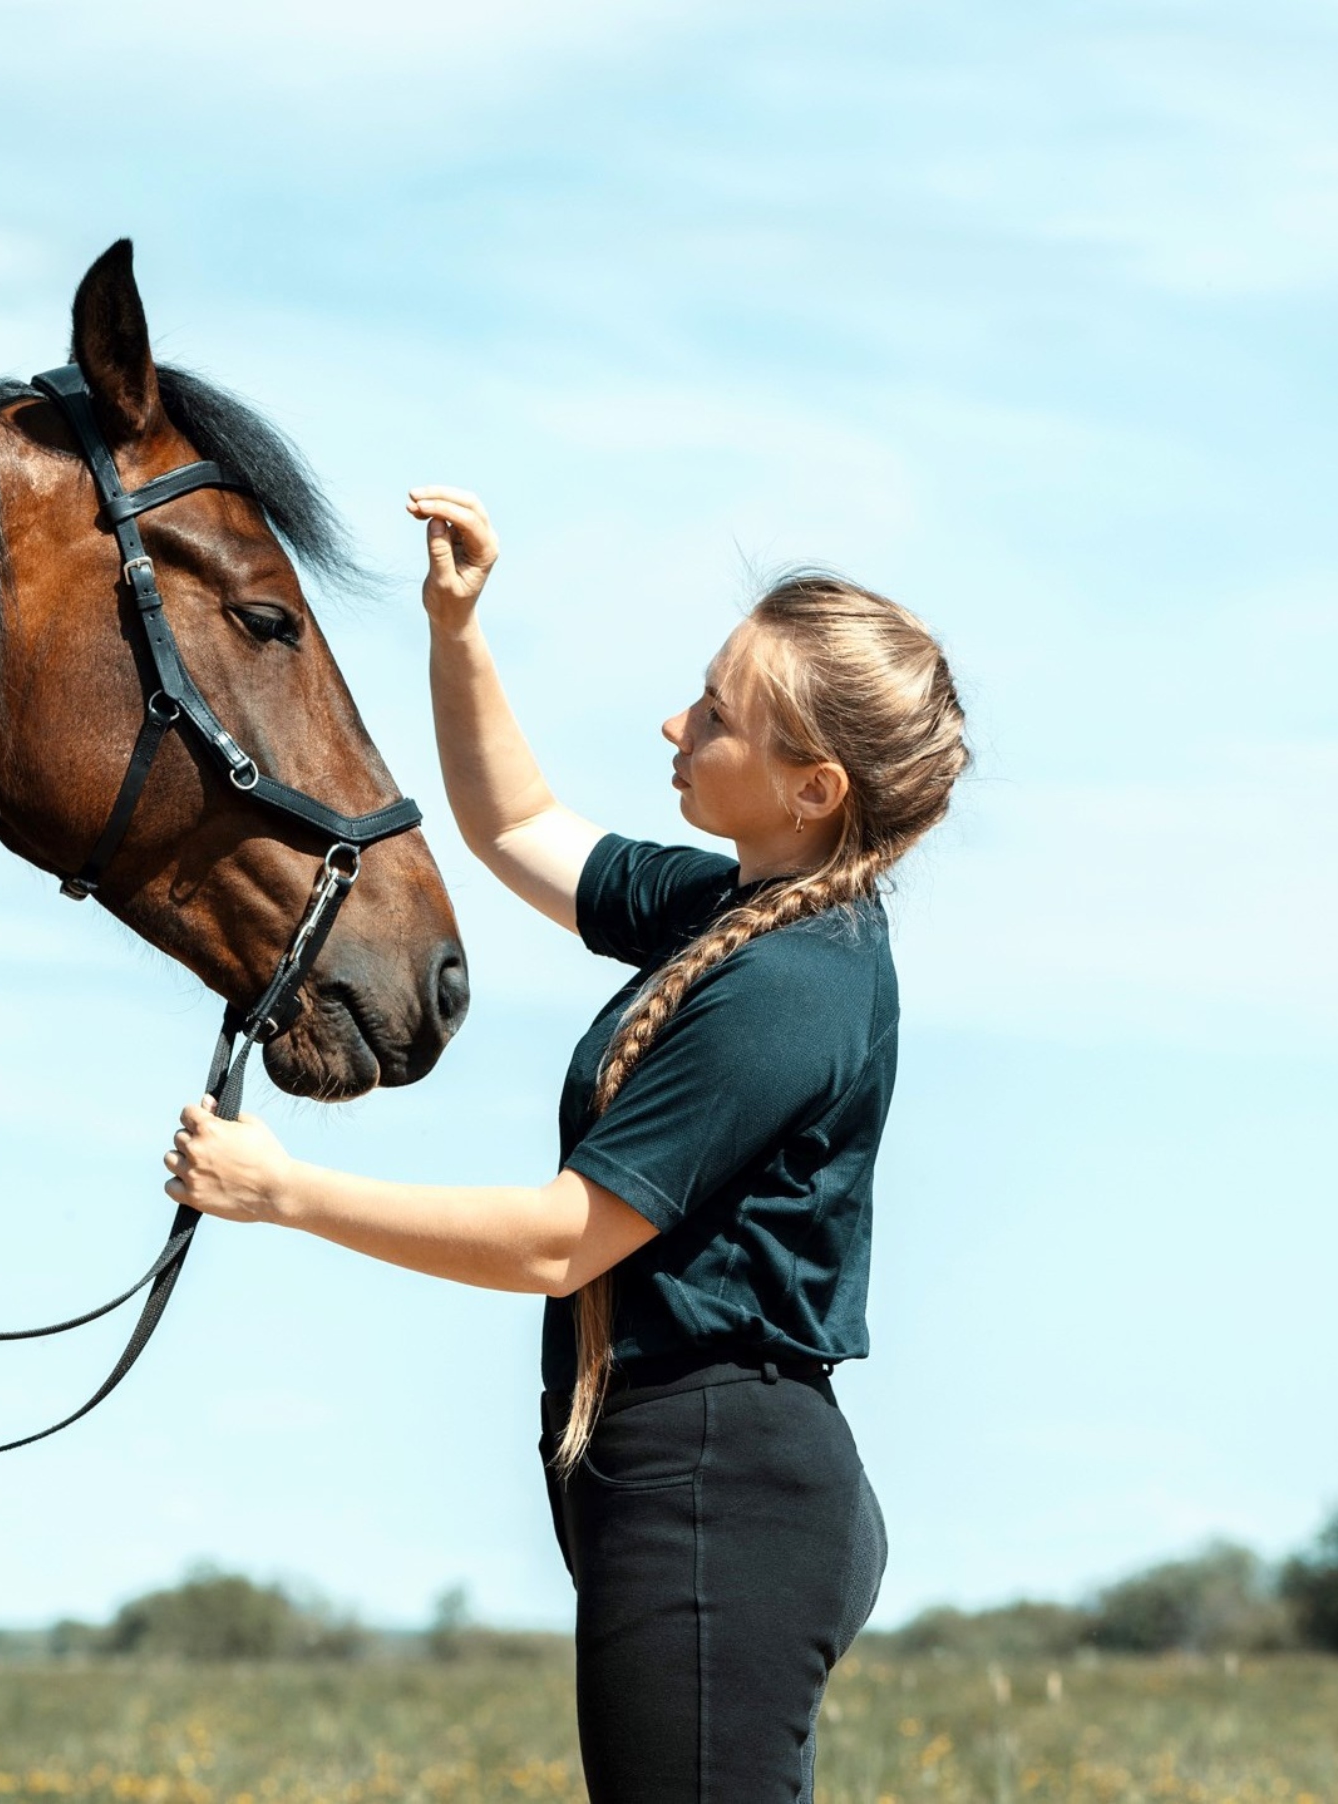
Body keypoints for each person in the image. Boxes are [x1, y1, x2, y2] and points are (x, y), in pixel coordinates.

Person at [162, 487, 970, 1802]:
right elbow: (519, 829)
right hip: (695, 1486)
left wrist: (286, 1190)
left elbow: (563, 1240)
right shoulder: (735, 911)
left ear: (813, 787)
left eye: (717, 714)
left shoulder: (789, 985)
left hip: (718, 1497)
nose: (676, 723)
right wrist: (458, 626)